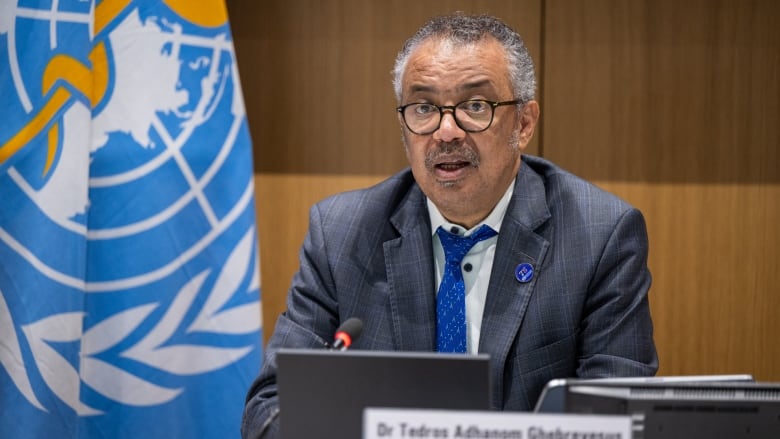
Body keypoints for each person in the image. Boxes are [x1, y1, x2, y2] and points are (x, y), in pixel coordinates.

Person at [241, 12, 657, 438]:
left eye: (475, 106)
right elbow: (269, 410)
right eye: (424, 108)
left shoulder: (600, 235)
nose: (446, 131)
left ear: (524, 123)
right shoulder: (342, 234)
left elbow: (619, 418)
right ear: (404, 126)